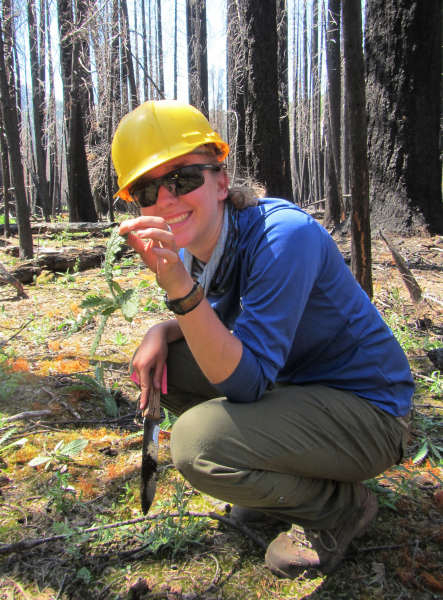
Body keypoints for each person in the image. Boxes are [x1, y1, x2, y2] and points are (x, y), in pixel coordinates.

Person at [113, 99, 414, 579]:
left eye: (184, 178)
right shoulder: (195, 245)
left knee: (197, 445)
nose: (166, 198)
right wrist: (162, 328)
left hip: (370, 412)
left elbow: (247, 381)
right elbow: (214, 316)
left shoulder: (282, 236)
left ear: (220, 181)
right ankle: (280, 484)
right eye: (148, 190)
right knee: (170, 363)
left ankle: (338, 507)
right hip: (297, 390)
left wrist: (177, 294)